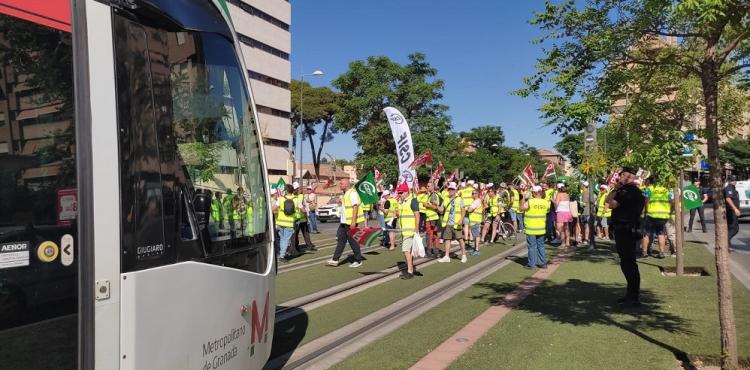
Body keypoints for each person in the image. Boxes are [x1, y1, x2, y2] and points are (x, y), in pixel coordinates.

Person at [606, 167, 645, 308]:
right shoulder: (636, 191)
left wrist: (615, 189)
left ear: (626, 176)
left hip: (625, 229)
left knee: (628, 264)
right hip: (629, 229)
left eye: (621, 175)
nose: (619, 177)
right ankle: (631, 295)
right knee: (628, 263)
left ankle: (633, 297)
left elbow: (610, 204)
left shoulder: (626, 191)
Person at [327, 178, 365, 267]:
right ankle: (335, 259)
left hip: (350, 222)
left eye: (341, 184)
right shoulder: (346, 193)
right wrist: (340, 202)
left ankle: (358, 260)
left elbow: (355, 207)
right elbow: (346, 206)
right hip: (344, 222)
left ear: (347, 184)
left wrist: (353, 222)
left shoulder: (352, 193)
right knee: (341, 239)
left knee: (353, 241)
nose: (340, 185)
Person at [641, 176, 673, 259]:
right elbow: (672, 201)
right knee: (661, 233)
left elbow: (646, 200)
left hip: (651, 214)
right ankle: (661, 253)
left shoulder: (649, 189)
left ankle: (644, 252)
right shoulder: (666, 189)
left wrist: (646, 211)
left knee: (646, 233)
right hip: (663, 215)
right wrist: (670, 212)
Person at [395, 183, 421, 279]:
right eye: (399, 192)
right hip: (404, 231)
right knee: (409, 251)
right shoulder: (402, 202)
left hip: (409, 231)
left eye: (401, 192)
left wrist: (416, 227)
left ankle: (409, 271)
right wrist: (397, 214)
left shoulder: (412, 201)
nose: (400, 194)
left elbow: (417, 215)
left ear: (407, 192)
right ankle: (411, 269)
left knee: (406, 250)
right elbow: (402, 216)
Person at [437, 182, 468, 263]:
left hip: (456, 223)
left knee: (460, 239)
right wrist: (435, 206)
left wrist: (461, 219)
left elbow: (463, 210)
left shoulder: (459, 199)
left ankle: (464, 255)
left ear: (455, 190)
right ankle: (447, 256)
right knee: (447, 239)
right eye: (450, 189)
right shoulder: (446, 198)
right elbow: (442, 209)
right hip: (448, 223)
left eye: (452, 189)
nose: (451, 190)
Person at [522, 185, 549, 269]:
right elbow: (547, 211)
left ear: (533, 193)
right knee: (541, 246)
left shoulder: (530, 202)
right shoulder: (546, 202)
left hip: (531, 228)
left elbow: (521, 208)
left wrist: (524, 198)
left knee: (532, 247)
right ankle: (542, 263)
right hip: (541, 228)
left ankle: (532, 264)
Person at [274, 184, 297, 262]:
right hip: (289, 223)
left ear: (286, 191)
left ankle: (282, 253)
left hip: (280, 222)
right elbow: (303, 209)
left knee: (282, 239)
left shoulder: (280, 199)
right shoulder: (296, 199)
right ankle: (282, 256)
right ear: (292, 191)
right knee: (285, 240)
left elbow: (273, 208)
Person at [291, 182, 316, 253]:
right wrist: (306, 217)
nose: (301, 189)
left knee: (305, 233)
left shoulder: (297, 196)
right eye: (299, 188)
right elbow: (303, 208)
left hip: (299, 218)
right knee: (297, 234)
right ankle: (297, 247)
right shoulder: (299, 196)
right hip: (299, 218)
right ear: (297, 189)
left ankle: (308, 246)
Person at [420, 182, 442, 258]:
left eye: (428, 186)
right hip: (433, 218)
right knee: (435, 235)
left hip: (431, 218)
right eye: (427, 186)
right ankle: (436, 250)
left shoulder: (433, 195)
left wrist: (427, 205)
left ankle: (429, 251)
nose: (427, 187)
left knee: (430, 235)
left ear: (432, 187)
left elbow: (435, 206)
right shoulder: (431, 195)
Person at [554, 184, 572, 248]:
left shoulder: (559, 194)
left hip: (561, 212)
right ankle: (567, 242)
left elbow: (556, 203)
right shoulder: (567, 194)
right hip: (567, 212)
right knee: (566, 228)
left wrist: (552, 200)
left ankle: (563, 243)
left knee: (560, 228)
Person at [725, 175, 741, 248]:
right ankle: (726, 241)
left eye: (735, 180)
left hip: (733, 211)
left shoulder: (733, 188)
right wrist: (735, 209)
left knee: (732, 228)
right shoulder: (729, 188)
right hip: (731, 211)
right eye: (732, 180)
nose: (734, 181)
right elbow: (728, 199)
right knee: (735, 228)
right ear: (729, 181)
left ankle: (727, 243)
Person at [467, 188, 484, 256]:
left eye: (475, 193)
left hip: (475, 220)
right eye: (472, 193)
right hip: (475, 220)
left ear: (478, 194)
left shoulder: (476, 201)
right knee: (475, 235)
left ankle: (476, 250)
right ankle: (475, 249)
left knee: (476, 235)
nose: (473, 194)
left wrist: (468, 208)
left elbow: (469, 210)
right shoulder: (477, 201)